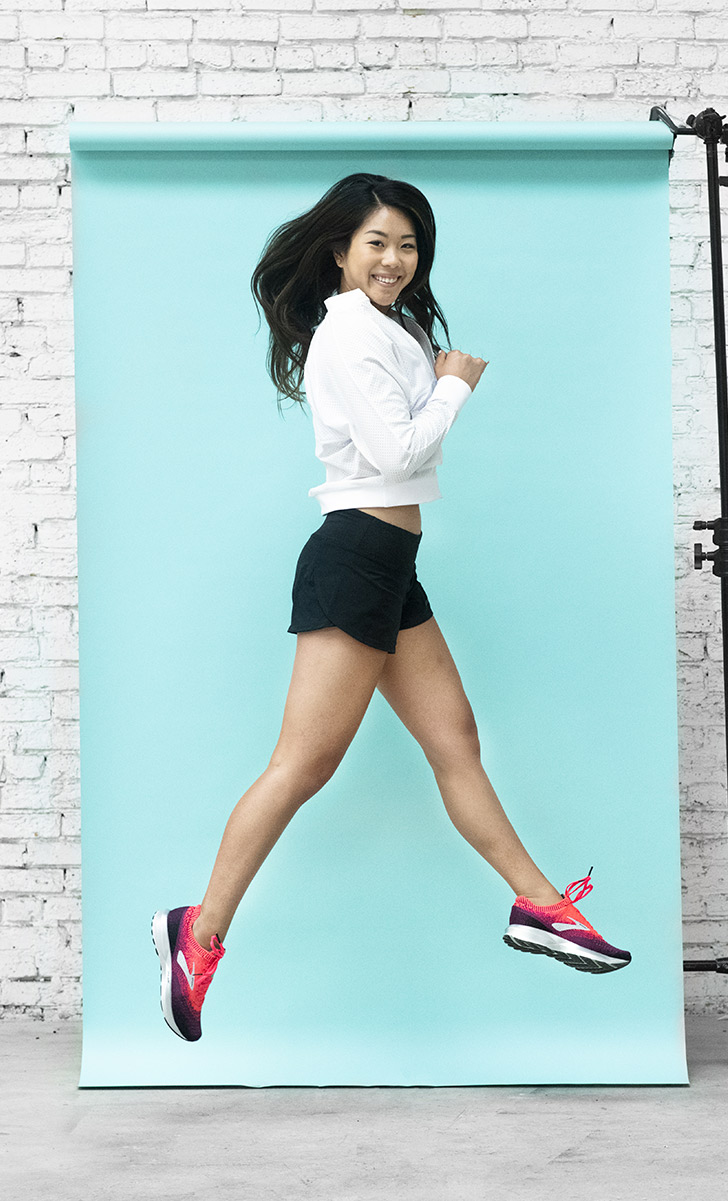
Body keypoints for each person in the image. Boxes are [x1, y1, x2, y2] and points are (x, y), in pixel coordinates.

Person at [151, 174, 631, 1044]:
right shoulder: (346, 338)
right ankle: (200, 929)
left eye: (408, 244)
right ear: (340, 250)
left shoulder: (390, 328)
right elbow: (398, 449)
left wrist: (437, 374)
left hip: (389, 561)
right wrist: (455, 386)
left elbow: (402, 452)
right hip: (355, 557)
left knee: (456, 738)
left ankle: (542, 904)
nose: (395, 259)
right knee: (302, 764)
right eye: (376, 242)